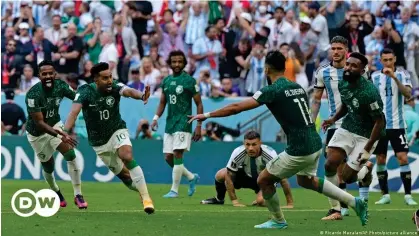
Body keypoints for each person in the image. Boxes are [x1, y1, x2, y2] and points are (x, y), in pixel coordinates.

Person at [188, 51, 368, 229]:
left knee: (263, 180)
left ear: (266, 69)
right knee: (306, 180)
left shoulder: (272, 90)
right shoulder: (297, 86)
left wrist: (208, 114)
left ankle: (278, 220)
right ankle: (354, 201)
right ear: (284, 67)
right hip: (314, 142)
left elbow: (236, 107)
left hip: (300, 148)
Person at [64, 62, 154, 214]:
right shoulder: (85, 91)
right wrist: (65, 132)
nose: (110, 80)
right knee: (125, 176)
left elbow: (129, 91)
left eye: (111, 77)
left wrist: (141, 96)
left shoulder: (115, 86)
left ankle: (146, 198)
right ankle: (140, 191)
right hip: (99, 142)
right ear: (96, 80)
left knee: (126, 155)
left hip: (116, 129)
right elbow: (73, 112)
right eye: (105, 78)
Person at [322, 52, 386, 219]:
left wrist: (367, 148)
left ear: (362, 70)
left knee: (348, 178)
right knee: (329, 164)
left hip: (367, 134)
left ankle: (365, 170)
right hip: (348, 126)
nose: (348, 68)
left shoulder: (369, 92)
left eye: (354, 66)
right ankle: (336, 210)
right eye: (348, 64)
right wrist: (332, 119)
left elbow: (380, 122)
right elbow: (346, 104)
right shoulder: (343, 82)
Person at [24, 60, 86, 209]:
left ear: (55, 74)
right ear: (39, 76)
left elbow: (78, 98)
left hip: (55, 124)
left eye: (50, 73)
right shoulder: (33, 94)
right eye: (44, 74)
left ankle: (78, 195)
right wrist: (61, 134)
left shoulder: (61, 85)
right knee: (49, 166)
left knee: (70, 154)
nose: (47, 76)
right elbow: (39, 122)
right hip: (37, 134)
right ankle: (56, 192)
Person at [151, 50, 202, 198]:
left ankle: (174, 190)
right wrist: (155, 118)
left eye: (180, 61)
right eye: (174, 61)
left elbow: (199, 103)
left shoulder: (189, 81)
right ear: (170, 63)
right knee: (168, 157)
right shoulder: (166, 81)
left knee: (177, 154)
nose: (177, 64)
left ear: (184, 63)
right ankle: (191, 177)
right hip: (170, 122)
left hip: (184, 122)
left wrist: (199, 125)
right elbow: (162, 102)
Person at [371, 48, 417, 206]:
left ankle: (408, 196)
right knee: (380, 159)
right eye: (385, 60)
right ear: (380, 60)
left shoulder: (403, 74)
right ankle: (385, 195)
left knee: (402, 158)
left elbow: (408, 94)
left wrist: (394, 78)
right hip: (380, 126)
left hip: (397, 125)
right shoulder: (375, 76)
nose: (388, 63)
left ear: (395, 59)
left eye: (390, 59)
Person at [311, 36, 351, 219]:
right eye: (333, 48)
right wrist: (312, 122)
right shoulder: (322, 72)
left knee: (346, 169)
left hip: (355, 124)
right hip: (335, 124)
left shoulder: (358, 69)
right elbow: (317, 99)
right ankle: (339, 207)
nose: (335, 52)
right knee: (332, 165)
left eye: (339, 48)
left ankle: (342, 206)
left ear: (346, 50)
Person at [201, 131, 294, 208]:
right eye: (247, 144)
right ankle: (219, 199)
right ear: (244, 144)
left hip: (263, 181)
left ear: (260, 143)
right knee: (221, 174)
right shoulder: (238, 152)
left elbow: (282, 178)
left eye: (254, 144)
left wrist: (289, 203)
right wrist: (235, 201)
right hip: (245, 177)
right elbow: (229, 176)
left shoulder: (270, 154)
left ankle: (261, 199)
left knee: (260, 201)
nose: (250, 148)